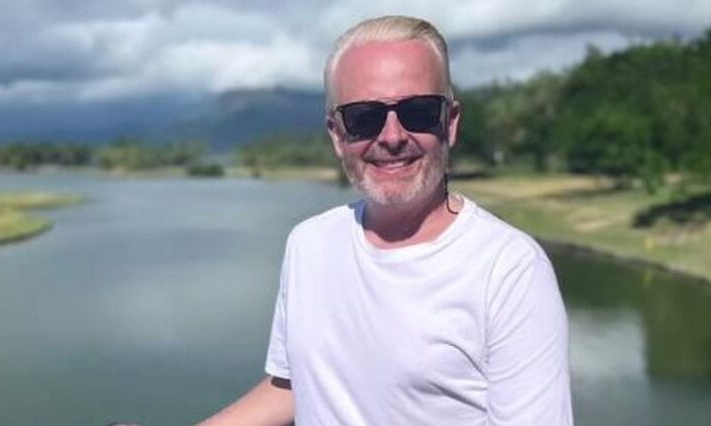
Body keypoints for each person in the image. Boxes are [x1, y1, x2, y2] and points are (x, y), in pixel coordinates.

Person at [198, 15, 572, 426]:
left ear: (450, 123)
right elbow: (295, 385)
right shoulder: (309, 243)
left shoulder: (510, 270)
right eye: (364, 118)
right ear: (337, 134)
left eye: (419, 112)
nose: (392, 137)